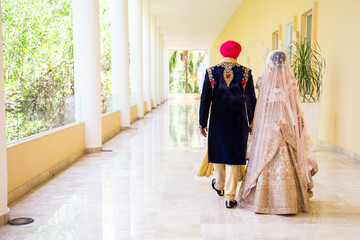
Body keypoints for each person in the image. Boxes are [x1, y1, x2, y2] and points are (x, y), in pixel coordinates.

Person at [239, 50, 318, 214]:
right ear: (284, 63)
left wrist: (256, 123)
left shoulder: (263, 80)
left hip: (268, 124)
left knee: (264, 157)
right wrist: (299, 120)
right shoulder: (289, 80)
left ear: (270, 62)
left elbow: (261, 106)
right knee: (287, 156)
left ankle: (262, 200)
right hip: (285, 123)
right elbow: (294, 104)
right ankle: (288, 200)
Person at [199, 40, 256, 208]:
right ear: (237, 53)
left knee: (218, 152)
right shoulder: (246, 73)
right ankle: (230, 198)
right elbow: (251, 100)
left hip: (218, 120)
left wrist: (202, 122)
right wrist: (252, 122)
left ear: (222, 52)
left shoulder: (211, 72)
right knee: (233, 156)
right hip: (238, 121)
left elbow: (205, 99)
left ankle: (219, 185)